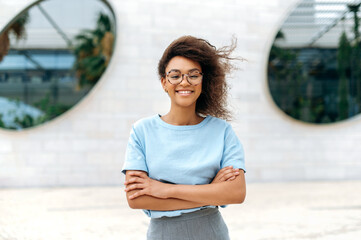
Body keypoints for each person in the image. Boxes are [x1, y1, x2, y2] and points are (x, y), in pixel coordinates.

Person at [121, 35, 246, 240]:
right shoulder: (142, 131)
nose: (184, 82)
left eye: (193, 75)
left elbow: (236, 193)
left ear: (202, 81)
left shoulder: (222, 132)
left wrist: (163, 189)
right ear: (164, 82)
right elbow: (137, 199)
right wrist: (212, 192)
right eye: (175, 75)